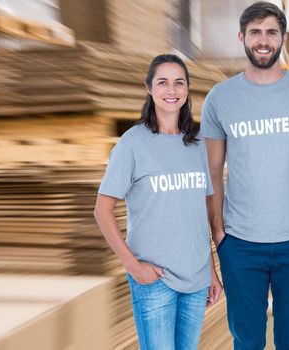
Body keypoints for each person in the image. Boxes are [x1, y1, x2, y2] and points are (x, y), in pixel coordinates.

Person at [200, 2, 289, 349]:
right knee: (247, 342)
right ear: (242, 37)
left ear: (283, 38)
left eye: (271, 32)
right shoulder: (220, 98)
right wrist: (219, 236)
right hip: (241, 244)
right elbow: (211, 172)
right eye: (256, 32)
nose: (264, 40)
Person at [94, 54, 222, 350]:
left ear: (187, 89)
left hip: (196, 279)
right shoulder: (132, 144)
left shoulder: (198, 144)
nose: (171, 90)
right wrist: (133, 266)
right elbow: (102, 211)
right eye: (162, 82)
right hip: (155, 280)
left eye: (179, 82)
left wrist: (211, 270)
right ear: (149, 88)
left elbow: (202, 212)